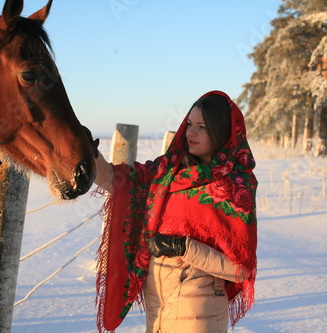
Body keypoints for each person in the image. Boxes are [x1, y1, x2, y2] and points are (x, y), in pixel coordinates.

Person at [92, 90, 258, 333]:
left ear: (221, 131)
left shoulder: (234, 186)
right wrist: (87, 154)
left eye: (202, 126)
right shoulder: (167, 172)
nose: (191, 132)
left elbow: (240, 269)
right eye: (189, 124)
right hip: (159, 312)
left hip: (200, 319)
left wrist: (184, 248)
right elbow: (118, 182)